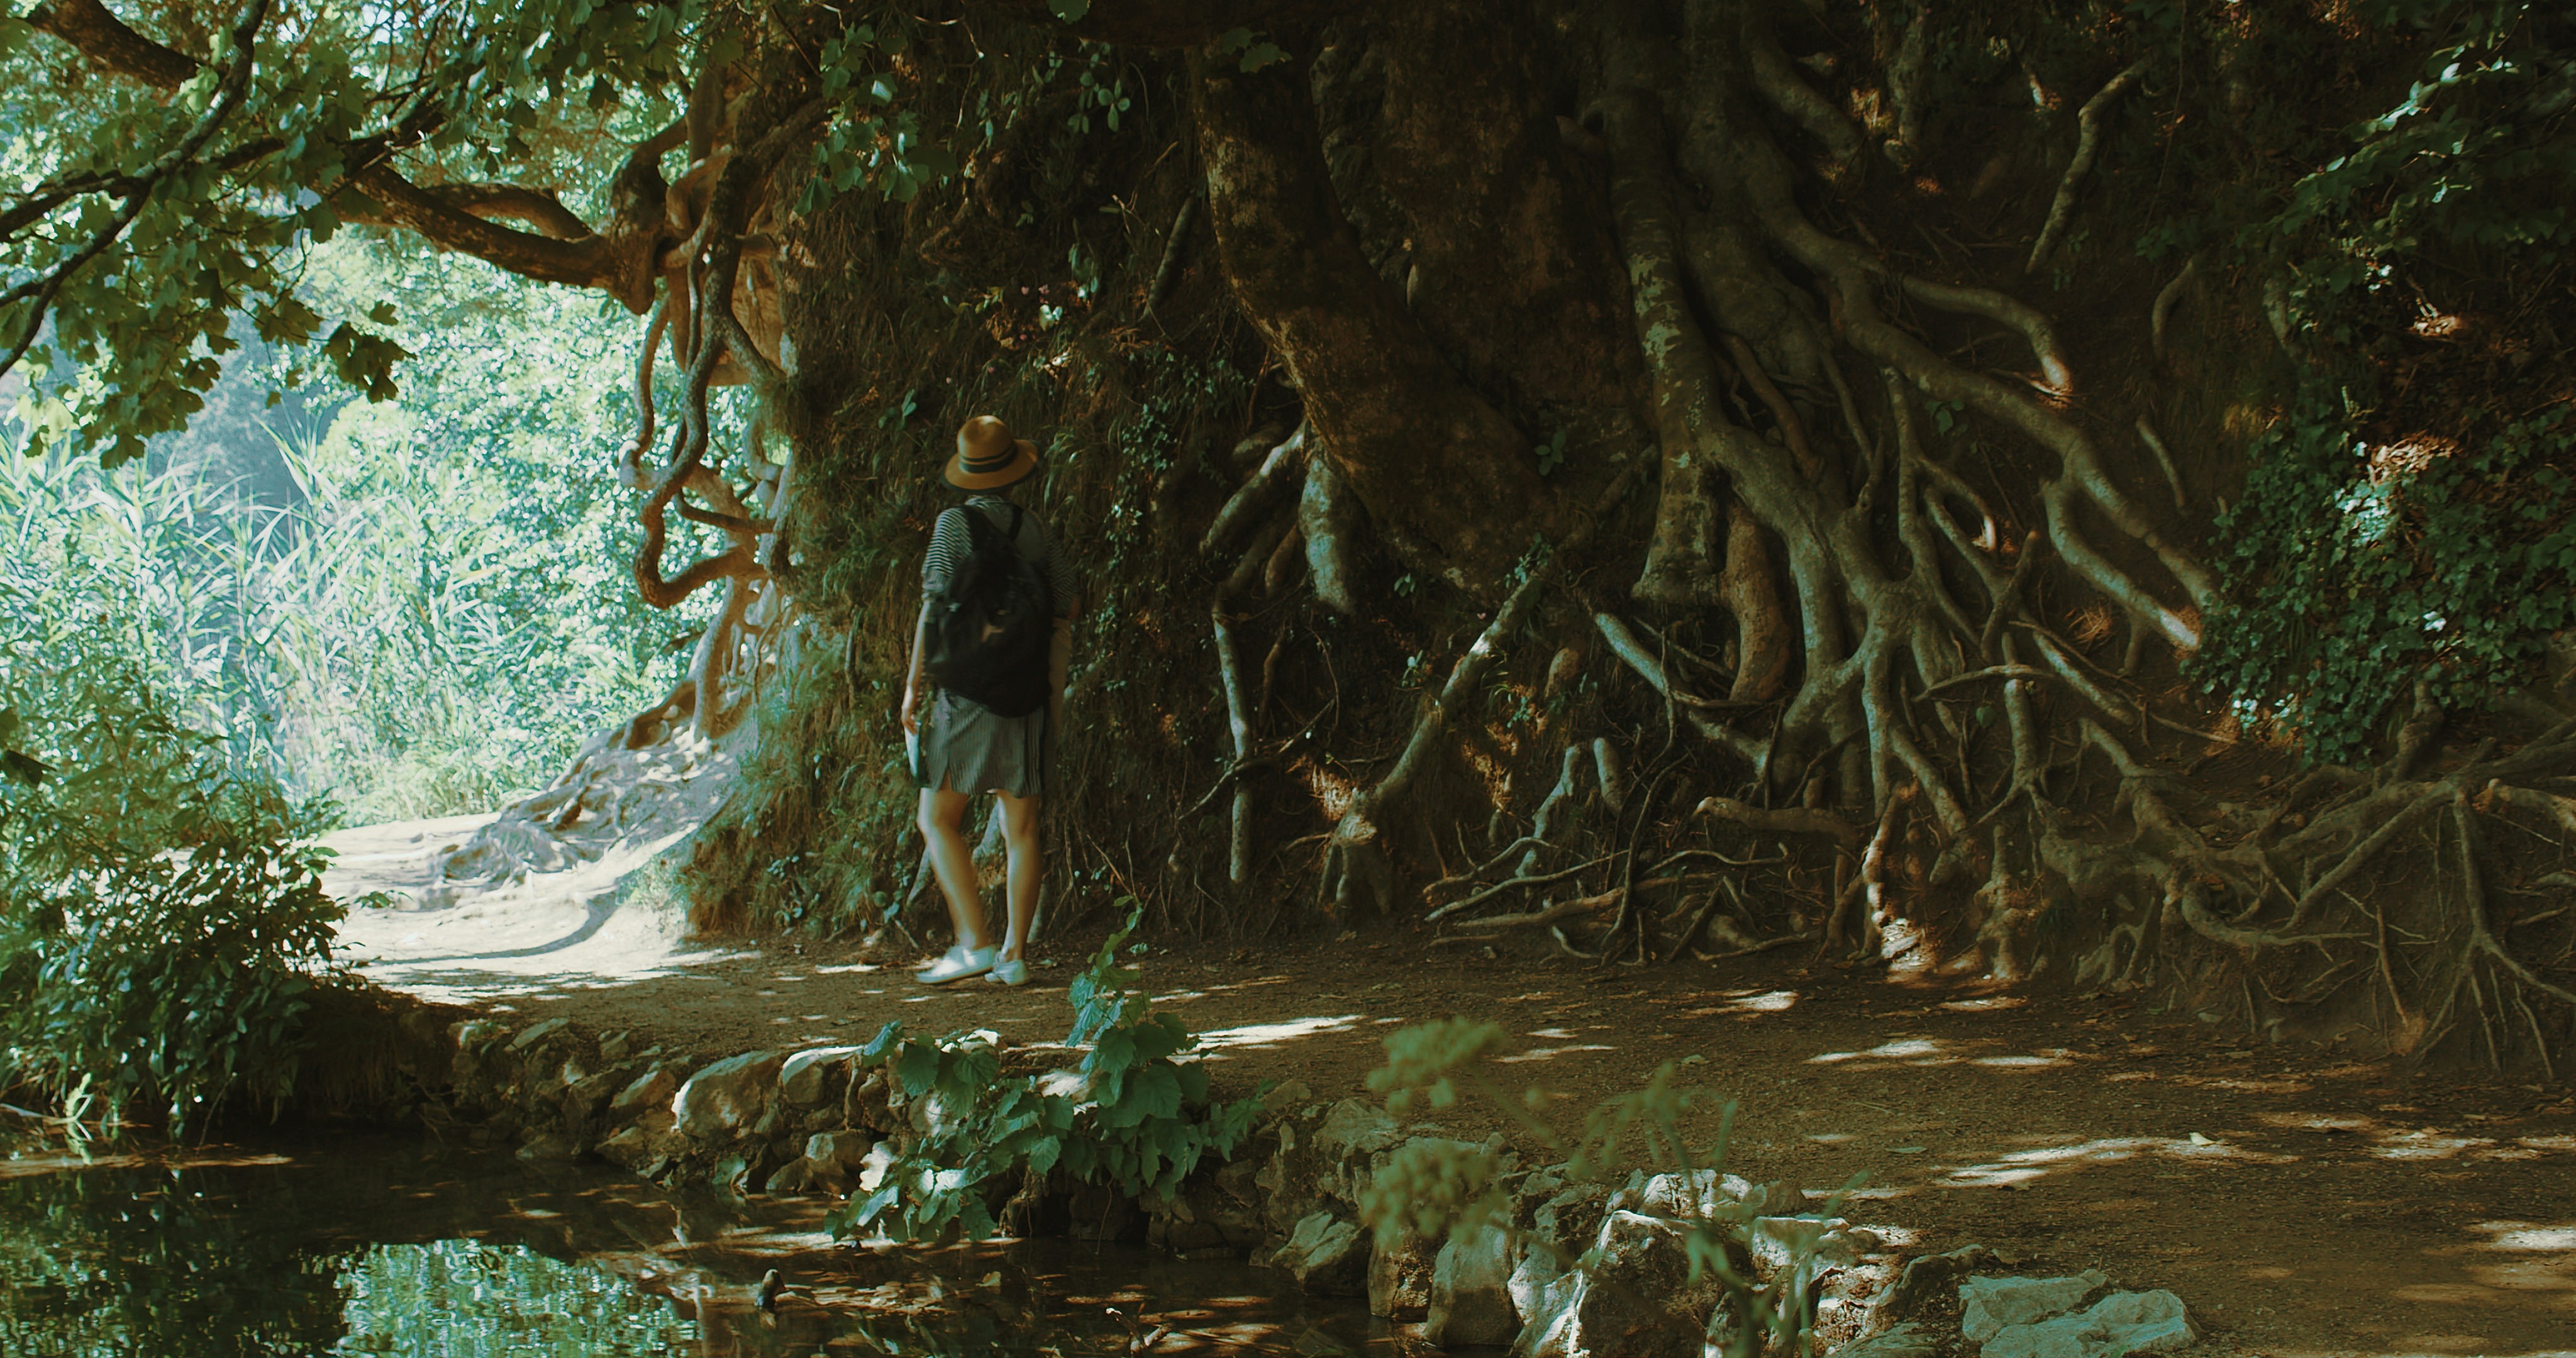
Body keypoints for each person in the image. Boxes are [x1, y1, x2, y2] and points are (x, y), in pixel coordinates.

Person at [901, 414, 1077, 986]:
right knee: (1021, 826)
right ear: (1012, 471)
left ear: (967, 474)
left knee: (936, 816)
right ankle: (1014, 955)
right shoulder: (1036, 530)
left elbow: (933, 608)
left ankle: (972, 941)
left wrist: (912, 687)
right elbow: (1067, 604)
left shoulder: (954, 527)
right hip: (1026, 692)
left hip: (968, 694)